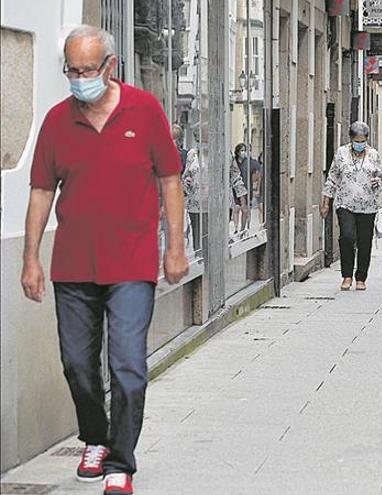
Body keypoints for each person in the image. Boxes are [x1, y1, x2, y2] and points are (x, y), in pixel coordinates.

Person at [20, 25, 189, 495]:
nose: (78, 79)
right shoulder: (56, 121)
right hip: (73, 264)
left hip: (132, 264)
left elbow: (170, 180)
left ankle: (120, 461)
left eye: (86, 70)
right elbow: (39, 191)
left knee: (128, 366)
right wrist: (30, 257)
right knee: (76, 363)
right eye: (71, 70)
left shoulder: (145, 110)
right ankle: (95, 437)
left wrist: (174, 247)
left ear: (110, 67)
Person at [321, 122, 382, 291]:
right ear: (351, 139)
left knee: (365, 242)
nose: (360, 143)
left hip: (368, 206)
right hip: (345, 203)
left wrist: (377, 182)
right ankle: (347, 275)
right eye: (357, 140)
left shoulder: (373, 155)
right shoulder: (341, 153)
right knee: (347, 237)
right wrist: (325, 202)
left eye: (363, 140)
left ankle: (361, 277)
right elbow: (332, 177)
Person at [181, 127, 207, 252]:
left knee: (208, 234)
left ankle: (209, 260)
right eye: (198, 136)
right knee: (197, 232)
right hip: (195, 202)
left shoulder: (219, 151)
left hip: (211, 202)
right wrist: (186, 182)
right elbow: (186, 175)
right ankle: (199, 257)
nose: (200, 139)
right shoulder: (192, 154)